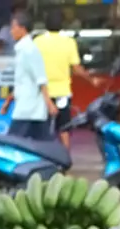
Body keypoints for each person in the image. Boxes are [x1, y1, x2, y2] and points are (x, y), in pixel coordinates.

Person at [34, 9, 101, 150]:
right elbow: (76, 68)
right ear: (62, 25)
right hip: (62, 92)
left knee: (41, 126)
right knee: (64, 127)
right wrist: (91, 79)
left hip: (42, 93)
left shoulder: (37, 41)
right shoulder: (69, 42)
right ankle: (65, 157)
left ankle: (41, 154)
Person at [1, 10, 57, 141]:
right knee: (44, 142)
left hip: (27, 108)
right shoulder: (22, 50)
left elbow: (41, 78)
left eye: (13, 27)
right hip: (29, 109)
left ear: (23, 29)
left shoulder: (30, 49)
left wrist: (49, 103)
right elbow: (21, 81)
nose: (11, 31)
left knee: (13, 142)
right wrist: (8, 102)